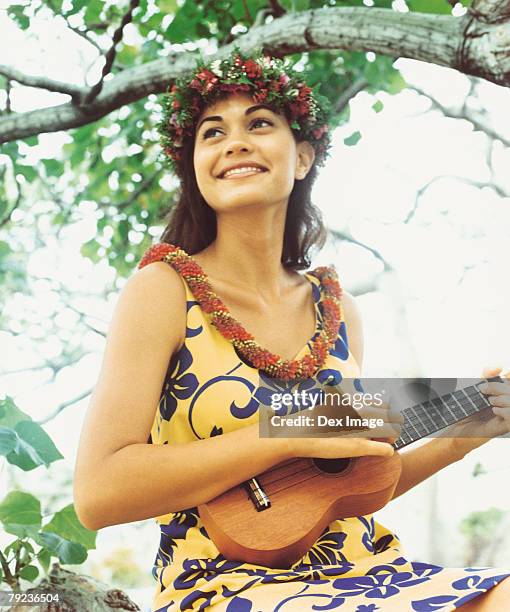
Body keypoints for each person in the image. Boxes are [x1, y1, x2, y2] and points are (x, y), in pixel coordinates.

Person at [73, 48, 510, 611]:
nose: (235, 142)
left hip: (366, 573)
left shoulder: (339, 310)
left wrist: (461, 434)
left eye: (259, 124)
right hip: (224, 585)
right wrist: (283, 432)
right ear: (195, 168)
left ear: (302, 157)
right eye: (212, 133)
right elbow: (97, 492)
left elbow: (341, 485)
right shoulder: (163, 290)